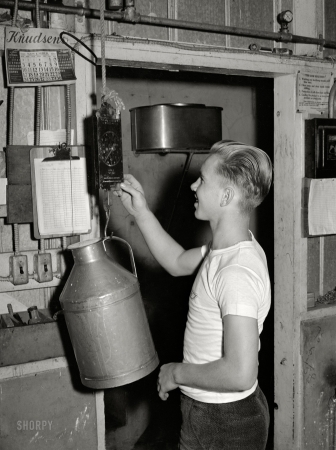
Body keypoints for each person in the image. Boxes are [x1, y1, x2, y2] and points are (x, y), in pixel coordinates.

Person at [114, 140, 273, 450]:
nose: (194, 186)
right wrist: (141, 212)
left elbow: (240, 373)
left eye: (203, 179)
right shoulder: (223, 252)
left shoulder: (235, 272)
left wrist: (177, 373)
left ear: (226, 196)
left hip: (226, 420)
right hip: (210, 412)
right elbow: (175, 262)